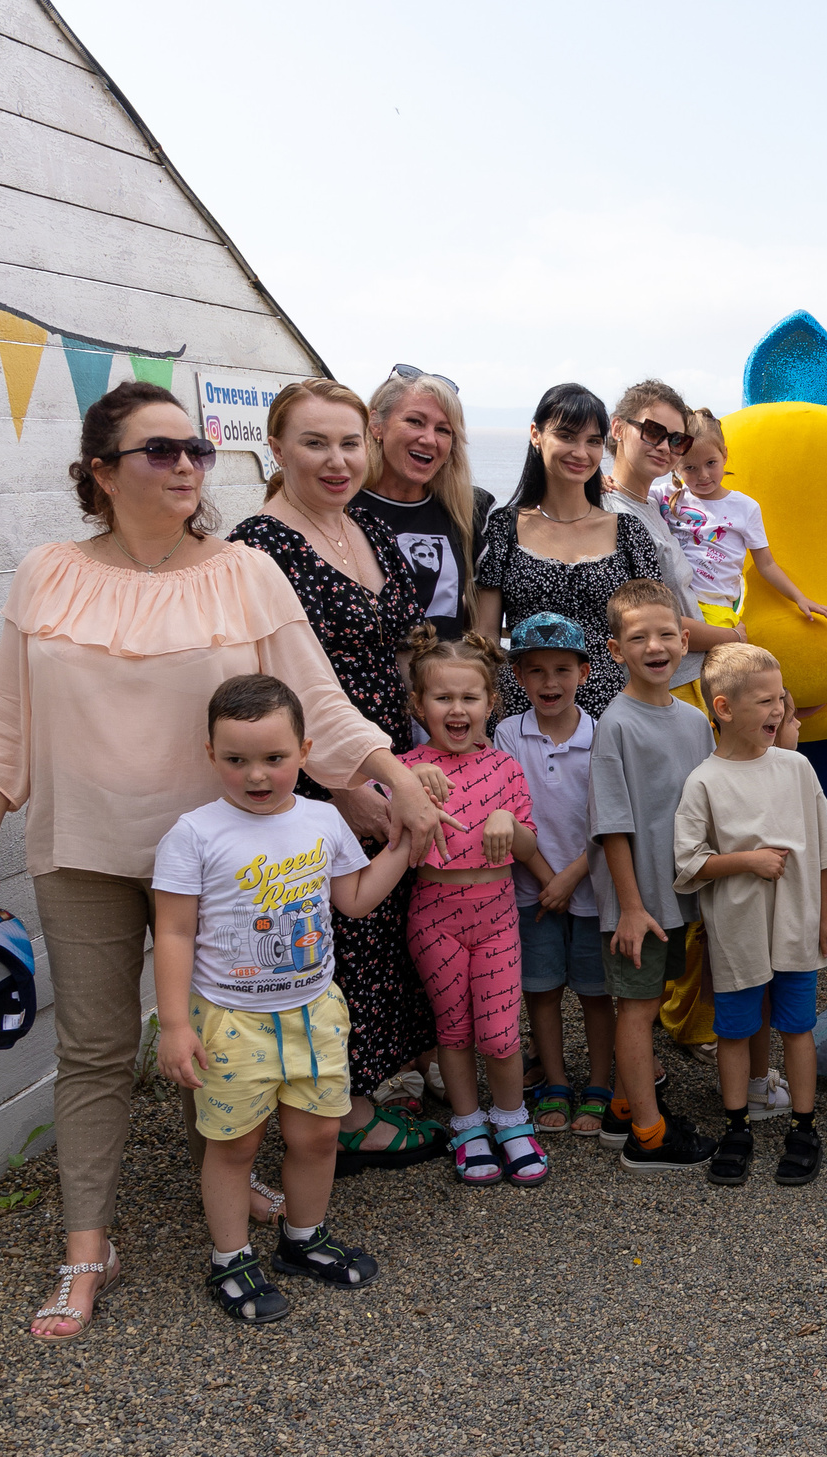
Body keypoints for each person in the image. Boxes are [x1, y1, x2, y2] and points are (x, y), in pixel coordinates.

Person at [0, 380, 456, 1341]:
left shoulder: (243, 573)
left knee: (222, 1030)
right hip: (83, 846)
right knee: (97, 1052)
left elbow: (319, 701)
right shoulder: (46, 573)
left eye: (196, 451)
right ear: (100, 471)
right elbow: (6, 716)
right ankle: (86, 1246)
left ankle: (229, 1180)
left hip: (227, 854)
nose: (186, 466)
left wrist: (397, 777)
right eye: (160, 450)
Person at [152, 676, 413, 1323]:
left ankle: (303, 1236)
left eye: (274, 757)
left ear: (305, 748)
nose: (257, 774)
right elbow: (175, 932)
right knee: (235, 1145)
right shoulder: (194, 833)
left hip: (315, 1012)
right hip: (233, 1018)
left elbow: (353, 899)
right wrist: (176, 1023)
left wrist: (405, 848)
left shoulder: (323, 820)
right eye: (237, 759)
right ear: (211, 755)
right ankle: (231, 1257)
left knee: (319, 1134)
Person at [230, 378, 441, 1168]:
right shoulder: (259, 547)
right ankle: (339, 1117)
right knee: (334, 933)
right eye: (315, 443)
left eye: (350, 442)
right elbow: (276, 676)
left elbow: (397, 648)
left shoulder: (367, 529)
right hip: (314, 767)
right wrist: (346, 782)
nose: (336, 459)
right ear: (277, 449)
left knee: (382, 925)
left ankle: (361, 1087)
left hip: (385, 751)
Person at [674, 643, 827, 1188]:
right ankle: (737, 1127)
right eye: (765, 701)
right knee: (735, 1030)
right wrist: (745, 861)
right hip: (738, 933)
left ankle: (804, 1126)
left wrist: (826, 916)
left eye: (781, 699)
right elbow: (688, 863)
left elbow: (824, 847)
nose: (778, 710)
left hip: (796, 927)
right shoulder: (703, 781)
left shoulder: (796, 768)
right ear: (724, 708)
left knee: (797, 1027)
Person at [400, 630, 552, 1188]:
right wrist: (408, 781)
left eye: (469, 698)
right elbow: (378, 815)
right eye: (443, 699)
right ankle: (468, 1123)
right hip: (433, 914)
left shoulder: (507, 769)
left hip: (495, 914)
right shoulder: (405, 768)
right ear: (419, 706)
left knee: (500, 1032)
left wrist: (508, 823)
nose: (456, 709)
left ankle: (511, 1119)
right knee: (454, 1028)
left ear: (491, 703)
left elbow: (532, 847)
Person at [589, 580, 718, 1173]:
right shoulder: (615, 724)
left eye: (666, 633)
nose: (655, 645)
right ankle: (648, 1133)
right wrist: (631, 905)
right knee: (636, 1011)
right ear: (617, 651)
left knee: (651, 1000)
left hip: (678, 897)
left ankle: (623, 1105)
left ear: (685, 640)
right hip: (636, 902)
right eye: (638, 637)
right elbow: (611, 822)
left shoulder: (693, 722)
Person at [474, 382, 674, 720]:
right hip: (522, 719)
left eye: (593, 441)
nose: (581, 452)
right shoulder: (502, 528)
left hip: (612, 717)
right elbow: (486, 638)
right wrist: (482, 716)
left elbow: (653, 635)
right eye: (567, 436)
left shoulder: (628, 532)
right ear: (536, 434)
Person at [492, 614, 612, 1141]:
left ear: (585, 672)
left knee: (594, 993)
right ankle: (558, 1082)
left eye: (562, 669)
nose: (549, 683)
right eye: (535, 671)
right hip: (530, 889)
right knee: (540, 992)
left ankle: (602, 1085)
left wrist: (570, 879)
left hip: (592, 889)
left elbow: (611, 821)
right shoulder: (507, 734)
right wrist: (547, 879)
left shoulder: (603, 736)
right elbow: (509, 813)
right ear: (518, 676)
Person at [605, 380, 739, 704]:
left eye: (677, 440)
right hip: (662, 687)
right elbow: (651, 617)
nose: (665, 446)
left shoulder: (654, 505)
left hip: (692, 678)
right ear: (618, 428)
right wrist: (730, 637)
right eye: (653, 432)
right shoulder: (610, 511)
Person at [656, 410, 827, 626]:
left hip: (715, 608)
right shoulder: (665, 495)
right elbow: (624, 490)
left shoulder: (745, 507)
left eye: (711, 463)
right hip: (671, 602)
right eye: (690, 468)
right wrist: (608, 482)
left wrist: (800, 598)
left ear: (724, 455)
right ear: (676, 465)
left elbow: (767, 564)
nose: (702, 475)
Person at [351, 365, 490, 643]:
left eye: (443, 430)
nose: (429, 439)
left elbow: (481, 616)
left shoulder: (468, 511)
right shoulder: (345, 510)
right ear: (376, 424)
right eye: (415, 422)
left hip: (446, 682)